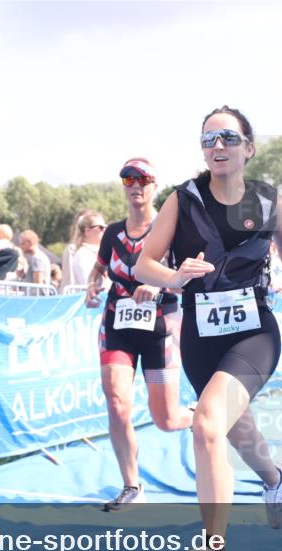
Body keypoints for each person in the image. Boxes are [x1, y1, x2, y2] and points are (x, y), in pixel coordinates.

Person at [134, 106, 282, 551]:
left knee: (207, 422)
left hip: (253, 332)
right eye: (208, 138)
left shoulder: (270, 202)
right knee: (236, 430)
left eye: (228, 138)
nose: (217, 146)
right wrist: (174, 277)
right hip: (199, 337)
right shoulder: (183, 200)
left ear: (248, 149)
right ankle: (274, 477)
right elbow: (143, 265)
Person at [85, 157, 194, 511]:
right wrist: (91, 286)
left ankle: (202, 418)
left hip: (160, 327)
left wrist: (159, 285)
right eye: (128, 179)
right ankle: (132, 486)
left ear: (154, 186)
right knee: (117, 402)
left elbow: (185, 279)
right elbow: (98, 269)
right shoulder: (112, 233)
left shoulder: (170, 230)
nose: (135, 186)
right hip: (117, 325)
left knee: (166, 419)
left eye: (142, 179)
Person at [62, 209, 107, 289]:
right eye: (101, 227)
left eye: (105, 227)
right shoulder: (83, 255)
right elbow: (87, 283)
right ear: (87, 231)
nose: (104, 230)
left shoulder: (102, 252)